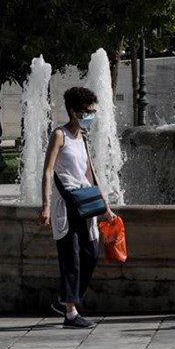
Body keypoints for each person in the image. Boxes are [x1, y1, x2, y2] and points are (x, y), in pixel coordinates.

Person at [38, 86, 114, 329]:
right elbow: (48, 171)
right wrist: (46, 205)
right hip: (66, 203)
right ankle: (71, 313)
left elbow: (91, 173)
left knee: (91, 253)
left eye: (93, 111)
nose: (91, 115)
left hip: (86, 201)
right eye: (87, 111)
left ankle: (66, 300)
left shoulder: (83, 136)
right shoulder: (60, 135)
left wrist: (106, 206)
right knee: (71, 258)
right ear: (73, 111)